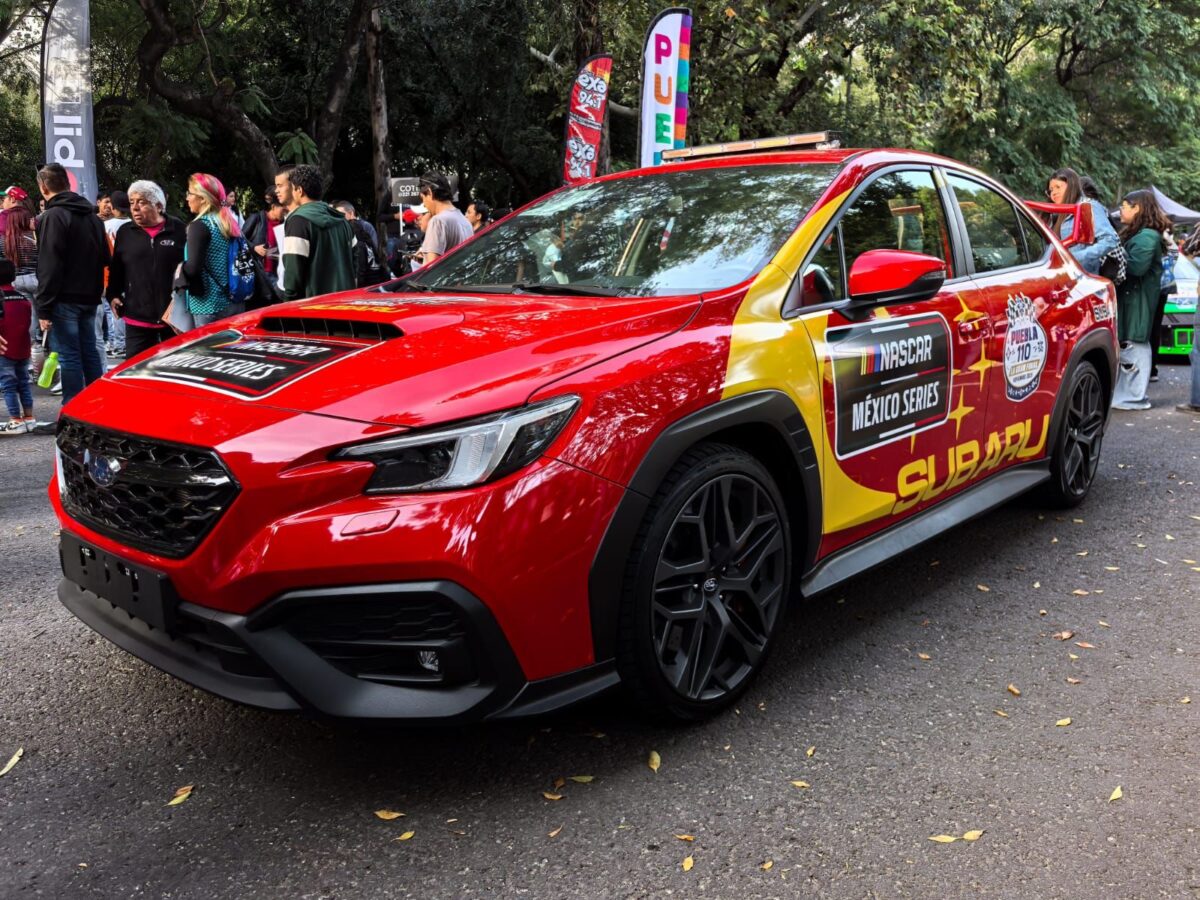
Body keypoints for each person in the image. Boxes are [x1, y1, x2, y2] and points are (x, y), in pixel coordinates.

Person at [34, 163, 109, 405]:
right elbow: (104, 258)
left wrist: (44, 307)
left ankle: (73, 408)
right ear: (68, 184)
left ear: (43, 188)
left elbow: (50, 264)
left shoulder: (53, 216)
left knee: (70, 356)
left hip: (64, 297)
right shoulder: (93, 217)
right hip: (90, 296)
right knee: (89, 352)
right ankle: (96, 404)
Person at [107, 180, 187, 358]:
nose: (135, 208)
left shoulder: (178, 229)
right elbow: (117, 269)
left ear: (158, 206)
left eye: (142, 202)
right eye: (132, 202)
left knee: (173, 368)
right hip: (137, 316)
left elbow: (189, 267)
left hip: (173, 318)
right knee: (136, 368)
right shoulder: (125, 232)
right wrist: (113, 294)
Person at [1111, 189, 1170, 411]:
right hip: (1133, 300)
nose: (1121, 210)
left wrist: (1113, 258)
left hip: (1137, 301)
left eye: (1125, 206)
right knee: (1132, 343)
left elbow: (1136, 267)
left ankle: (1133, 397)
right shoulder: (1143, 234)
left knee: (1135, 344)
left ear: (1138, 208)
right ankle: (1128, 396)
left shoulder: (1147, 237)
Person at [279, 164, 355, 300]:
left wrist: (288, 301)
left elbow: (293, 271)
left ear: (299, 190)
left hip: (315, 306)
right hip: (346, 301)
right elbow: (356, 259)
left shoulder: (298, 221)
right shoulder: (342, 220)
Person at [179, 173, 242, 326]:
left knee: (206, 343)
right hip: (233, 300)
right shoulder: (227, 222)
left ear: (202, 198)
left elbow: (193, 269)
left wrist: (179, 269)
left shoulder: (200, 226)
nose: (187, 198)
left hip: (208, 305)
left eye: (190, 193)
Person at [1046, 168, 1119, 275]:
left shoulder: (1088, 207)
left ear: (1071, 186)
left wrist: (1076, 257)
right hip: (1063, 275)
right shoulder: (1057, 213)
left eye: (1058, 187)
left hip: (1082, 277)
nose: (1054, 193)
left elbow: (1110, 240)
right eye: (1051, 190)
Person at [0, 258, 35, 434]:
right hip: (23, 347)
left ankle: (15, 419)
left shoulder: (1, 299)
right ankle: (29, 417)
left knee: (8, 385)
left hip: (4, 348)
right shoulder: (23, 299)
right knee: (23, 383)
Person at [100, 189, 131, 357]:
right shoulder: (133, 224)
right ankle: (122, 343)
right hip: (130, 271)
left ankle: (117, 344)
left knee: (111, 309)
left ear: (113, 207)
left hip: (109, 271)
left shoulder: (106, 226)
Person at [416, 172, 472, 266]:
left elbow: (432, 268)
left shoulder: (437, 221)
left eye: (423, 198)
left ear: (429, 192)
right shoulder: (465, 221)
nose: (424, 205)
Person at [336, 201, 388, 287]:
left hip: (368, 284)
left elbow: (360, 271)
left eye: (341, 214)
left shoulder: (362, 229)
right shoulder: (359, 236)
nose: (339, 218)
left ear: (351, 213)